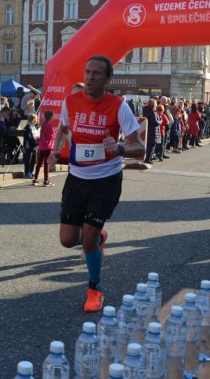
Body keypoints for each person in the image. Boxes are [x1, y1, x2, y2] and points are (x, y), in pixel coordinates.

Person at [50, 55, 144, 312]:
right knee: (68, 241)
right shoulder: (71, 102)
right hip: (77, 178)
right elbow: (64, 130)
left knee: (88, 240)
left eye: (96, 74)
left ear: (107, 78)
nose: (90, 78)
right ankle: (97, 236)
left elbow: (140, 148)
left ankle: (94, 288)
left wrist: (121, 147)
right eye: (87, 72)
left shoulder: (118, 106)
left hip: (106, 180)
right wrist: (55, 150)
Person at [33, 110, 56, 186]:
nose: (54, 117)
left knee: (39, 163)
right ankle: (46, 181)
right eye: (53, 115)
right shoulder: (48, 125)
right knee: (47, 164)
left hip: (42, 146)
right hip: (48, 146)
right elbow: (50, 136)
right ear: (51, 117)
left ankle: (35, 179)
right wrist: (55, 134)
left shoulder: (44, 124)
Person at [22, 113, 39, 178]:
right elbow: (28, 137)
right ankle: (27, 172)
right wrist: (35, 142)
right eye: (36, 119)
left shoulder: (34, 127)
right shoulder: (28, 128)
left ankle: (31, 172)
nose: (37, 121)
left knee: (33, 160)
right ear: (33, 120)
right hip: (29, 146)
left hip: (34, 146)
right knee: (28, 160)